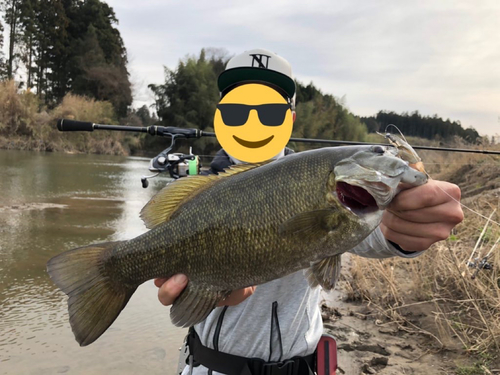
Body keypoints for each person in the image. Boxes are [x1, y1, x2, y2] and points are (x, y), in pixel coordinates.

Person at [154, 49, 464, 375]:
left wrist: (407, 227)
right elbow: (175, 282)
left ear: (290, 118)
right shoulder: (199, 196)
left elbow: (375, 232)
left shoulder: (323, 185)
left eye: (271, 112)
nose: (253, 120)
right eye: (236, 111)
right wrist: (199, 290)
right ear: (220, 116)